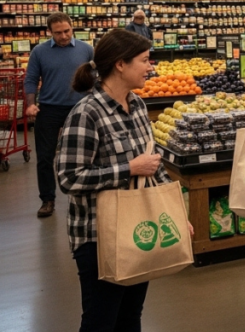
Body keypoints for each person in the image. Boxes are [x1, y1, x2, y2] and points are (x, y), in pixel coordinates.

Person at [57, 29, 188, 331]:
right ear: (120, 64)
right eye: (144, 60)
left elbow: (153, 164)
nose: (150, 66)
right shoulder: (87, 113)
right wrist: (128, 168)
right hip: (98, 235)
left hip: (139, 229)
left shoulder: (139, 106)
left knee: (131, 317)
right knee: (101, 320)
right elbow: (68, 178)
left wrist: (177, 213)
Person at [24, 12, 94, 218]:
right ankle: (47, 199)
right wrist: (30, 104)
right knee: (45, 157)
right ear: (49, 32)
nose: (63, 36)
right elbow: (31, 79)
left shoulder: (86, 49)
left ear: (72, 28)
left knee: (87, 154)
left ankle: (87, 192)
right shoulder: (39, 52)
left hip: (81, 107)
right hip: (49, 109)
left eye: (66, 31)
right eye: (58, 33)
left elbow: (98, 76)